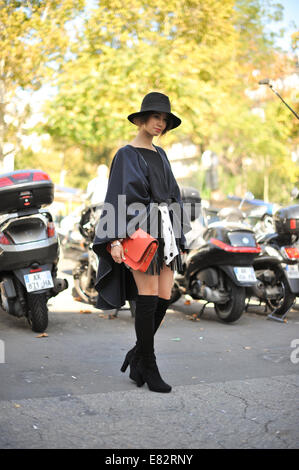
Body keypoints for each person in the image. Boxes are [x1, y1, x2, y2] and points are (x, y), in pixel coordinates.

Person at [93, 92, 191, 393]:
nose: (160, 123)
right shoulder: (126, 154)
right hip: (139, 234)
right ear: (141, 119)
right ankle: (148, 365)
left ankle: (137, 355)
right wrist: (115, 239)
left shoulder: (161, 155)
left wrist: (181, 235)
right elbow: (117, 196)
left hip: (166, 233)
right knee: (147, 297)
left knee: (164, 297)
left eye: (164, 119)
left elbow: (174, 194)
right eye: (156, 117)